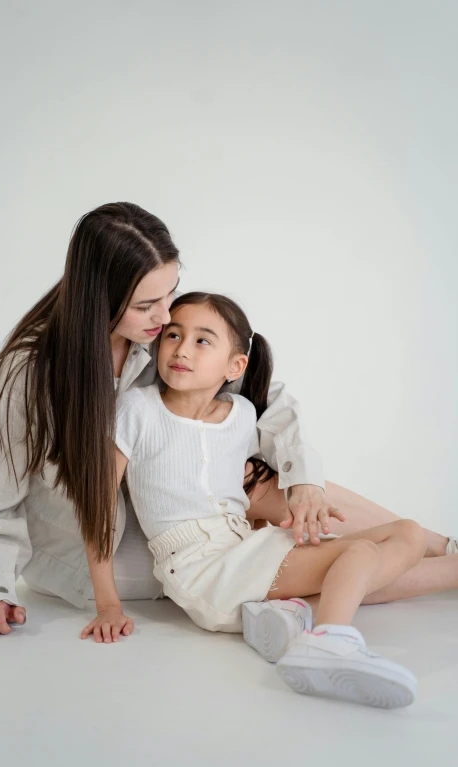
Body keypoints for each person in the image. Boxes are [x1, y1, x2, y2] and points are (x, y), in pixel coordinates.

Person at [0, 202, 456, 637]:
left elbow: (269, 403)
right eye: (147, 304)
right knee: (329, 564)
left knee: (260, 476)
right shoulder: (28, 376)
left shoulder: (160, 341)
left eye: (170, 292)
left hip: (201, 517)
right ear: (97, 301)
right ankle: (433, 565)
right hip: (113, 550)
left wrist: (305, 480)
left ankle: (440, 546)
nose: (165, 315)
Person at [81, 292, 426, 709]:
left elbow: (233, 489)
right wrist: (108, 605)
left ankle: (291, 614)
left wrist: (288, 516)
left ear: (236, 366)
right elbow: (97, 508)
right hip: (197, 568)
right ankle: (329, 643)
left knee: (408, 534)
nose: (181, 349)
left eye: (202, 340)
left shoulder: (242, 414)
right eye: (173, 335)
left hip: (243, 547)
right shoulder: (137, 409)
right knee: (358, 554)